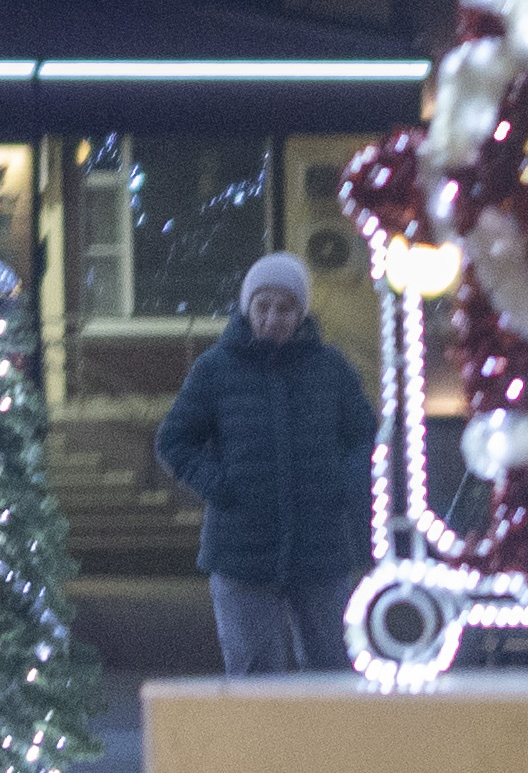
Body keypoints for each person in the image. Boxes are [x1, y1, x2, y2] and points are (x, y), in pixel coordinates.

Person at [151, 249, 379, 677]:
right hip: (240, 552)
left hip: (321, 550)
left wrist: (343, 485)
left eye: (286, 308)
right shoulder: (215, 370)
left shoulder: (331, 369)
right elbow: (174, 440)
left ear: (301, 313)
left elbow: (366, 438)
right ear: (247, 307)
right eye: (264, 306)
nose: (274, 317)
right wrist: (219, 485)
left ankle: (327, 747)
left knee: (333, 670)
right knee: (255, 676)